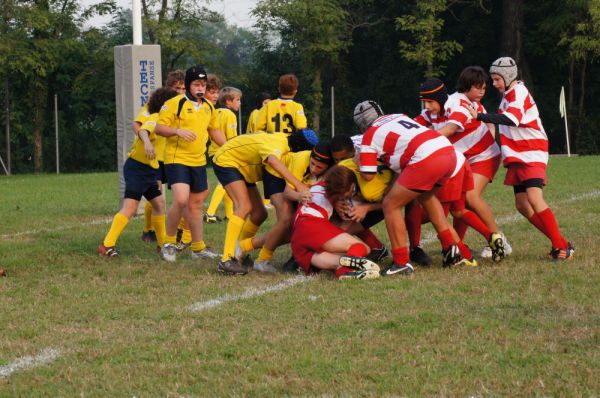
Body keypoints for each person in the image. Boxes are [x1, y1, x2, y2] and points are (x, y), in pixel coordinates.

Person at [468, 57, 573, 260]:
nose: (495, 84)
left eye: (497, 79)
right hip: (517, 155)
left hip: (531, 152)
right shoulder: (508, 94)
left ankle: (561, 247)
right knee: (522, 205)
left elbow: (512, 119)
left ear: (507, 77)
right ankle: (561, 242)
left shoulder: (519, 92)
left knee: (534, 198)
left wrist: (479, 117)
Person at [355, 100, 465, 276]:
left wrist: (358, 160)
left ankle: (401, 262)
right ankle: (450, 248)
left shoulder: (370, 134)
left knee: (390, 204)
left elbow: (368, 174)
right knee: (426, 196)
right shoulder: (399, 116)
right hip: (447, 151)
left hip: (425, 158)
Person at [418, 73, 509, 260]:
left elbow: (451, 128)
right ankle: (458, 243)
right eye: (424, 102)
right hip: (462, 161)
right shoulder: (431, 111)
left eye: (429, 102)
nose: (426, 107)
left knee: (470, 197)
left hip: (483, 156)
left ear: (439, 99)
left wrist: (424, 140)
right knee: (457, 202)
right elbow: (413, 126)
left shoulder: (457, 105)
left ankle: (500, 240)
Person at [212, 129, 318, 274]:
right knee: (244, 207)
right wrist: (298, 185)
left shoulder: (284, 141)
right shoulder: (280, 143)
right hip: (227, 161)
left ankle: (239, 253)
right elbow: (273, 160)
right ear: (301, 148)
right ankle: (226, 259)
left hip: (242, 167)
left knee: (260, 214)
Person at [155, 65, 226, 262]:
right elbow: (159, 128)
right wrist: (177, 131)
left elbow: (215, 132)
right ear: (188, 85)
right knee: (180, 199)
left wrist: (230, 146)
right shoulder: (175, 104)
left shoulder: (209, 107)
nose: (200, 88)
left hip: (198, 161)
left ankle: (198, 247)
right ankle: (168, 243)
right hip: (176, 159)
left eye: (203, 84)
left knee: (195, 205)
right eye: (196, 84)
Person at [99, 87, 178, 257]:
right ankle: (107, 244)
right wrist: (148, 143)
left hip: (149, 170)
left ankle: (162, 244)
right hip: (137, 168)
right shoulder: (156, 117)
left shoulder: (168, 121)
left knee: (159, 204)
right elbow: (142, 129)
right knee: (130, 208)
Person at [237, 140, 335, 272]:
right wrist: (300, 196)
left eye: (319, 167)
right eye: (312, 164)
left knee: (295, 232)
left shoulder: (330, 172)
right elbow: (287, 192)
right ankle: (262, 261)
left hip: (295, 188)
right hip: (276, 176)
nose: (314, 169)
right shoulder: (301, 159)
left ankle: (244, 246)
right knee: (286, 219)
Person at [291, 165, 380, 280]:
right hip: (312, 224)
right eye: (350, 192)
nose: (350, 195)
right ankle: (348, 267)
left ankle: (342, 271)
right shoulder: (337, 194)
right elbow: (344, 221)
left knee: (336, 261)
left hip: (298, 235)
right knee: (361, 247)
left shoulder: (322, 186)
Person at [137, 70, 185, 244]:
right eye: (176, 88)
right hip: (157, 156)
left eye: (183, 88)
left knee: (182, 197)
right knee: (157, 196)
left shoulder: (186, 105)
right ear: (168, 87)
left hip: (176, 156)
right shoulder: (156, 103)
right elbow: (138, 125)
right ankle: (149, 230)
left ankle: (179, 230)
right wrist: (147, 141)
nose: (180, 91)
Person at [205, 87, 242, 224]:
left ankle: (229, 214)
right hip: (224, 152)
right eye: (237, 100)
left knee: (226, 183)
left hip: (213, 151)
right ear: (228, 101)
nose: (239, 103)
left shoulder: (216, 111)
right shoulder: (230, 115)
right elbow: (231, 138)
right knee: (223, 183)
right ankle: (209, 213)